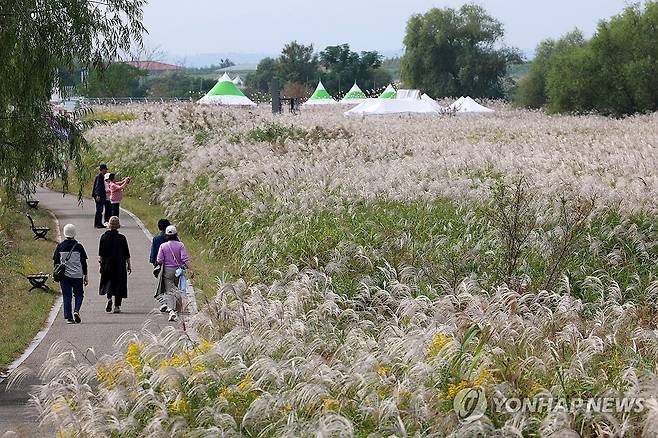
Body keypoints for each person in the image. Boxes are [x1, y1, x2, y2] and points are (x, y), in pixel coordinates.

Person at [53, 224, 88, 323]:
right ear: (74, 234)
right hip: (77, 275)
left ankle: (68, 318)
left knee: (67, 296)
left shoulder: (60, 246)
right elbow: (83, 262)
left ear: (64, 233)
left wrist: (56, 274)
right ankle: (76, 310)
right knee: (79, 294)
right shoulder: (79, 247)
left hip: (64, 276)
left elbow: (55, 262)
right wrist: (86, 275)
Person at [155, 225, 192, 322]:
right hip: (178, 271)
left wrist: (157, 266)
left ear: (166, 235)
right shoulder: (181, 245)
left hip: (168, 271)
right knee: (178, 290)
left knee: (169, 291)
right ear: (176, 234)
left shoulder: (163, 246)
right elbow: (184, 259)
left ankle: (171, 311)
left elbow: (159, 259)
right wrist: (190, 269)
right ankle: (177, 311)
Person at [99, 216, 131, 314]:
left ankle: (109, 298)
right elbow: (126, 254)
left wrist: (100, 265)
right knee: (119, 284)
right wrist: (129, 265)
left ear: (109, 225)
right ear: (118, 226)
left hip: (107, 264)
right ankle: (117, 306)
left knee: (109, 282)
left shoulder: (104, 237)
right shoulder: (122, 238)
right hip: (120, 265)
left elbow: (101, 253)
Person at [92, 164, 108, 228]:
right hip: (99, 196)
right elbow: (98, 187)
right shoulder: (100, 177)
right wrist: (97, 195)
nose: (106, 171)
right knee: (99, 210)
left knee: (100, 210)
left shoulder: (102, 176)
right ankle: (97, 223)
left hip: (101, 196)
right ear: (102, 169)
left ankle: (99, 223)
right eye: (105, 169)